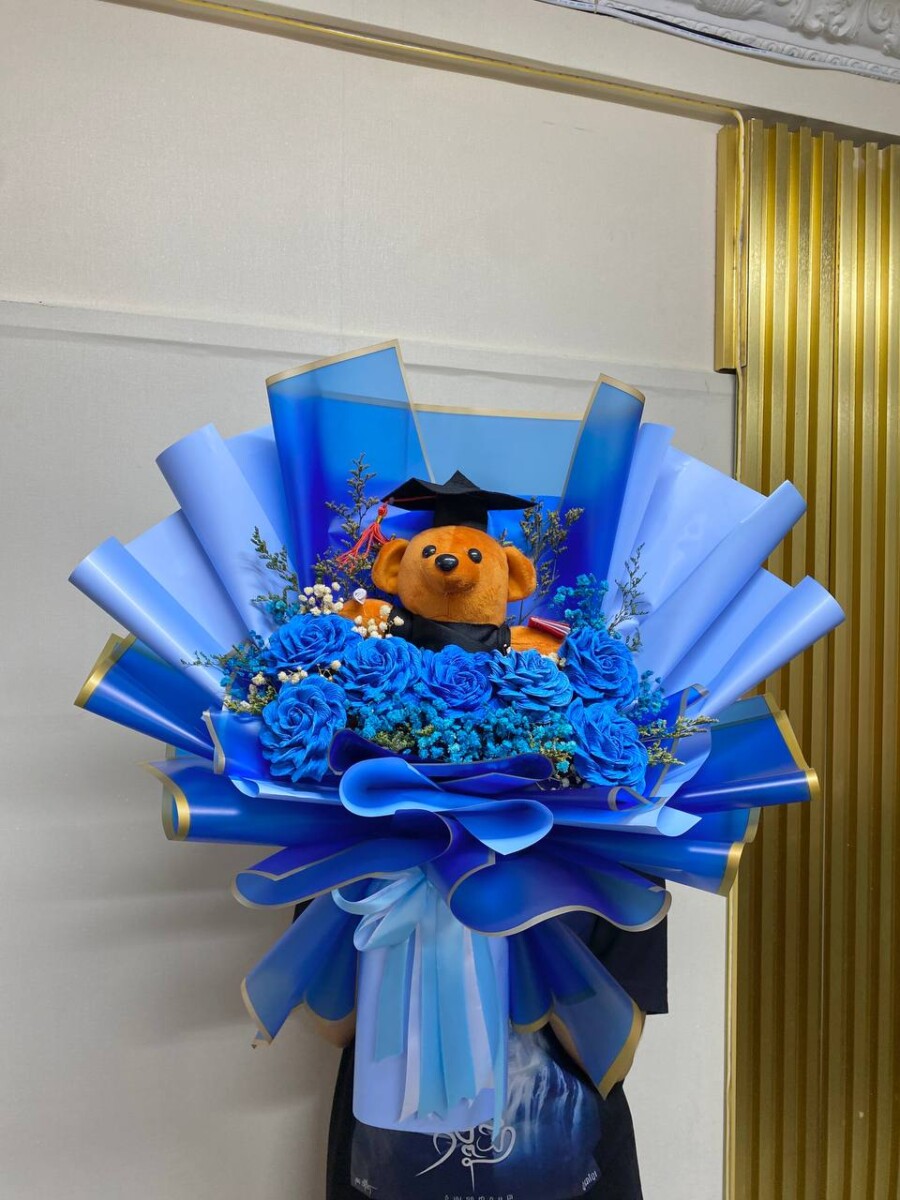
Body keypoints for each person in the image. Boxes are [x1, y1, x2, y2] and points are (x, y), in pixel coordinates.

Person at [324, 911, 667, 1200]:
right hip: (387, 1169)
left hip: (569, 1171)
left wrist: (515, 906)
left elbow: (615, 1056)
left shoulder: (618, 848)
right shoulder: (353, 846)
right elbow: (333, 1027)